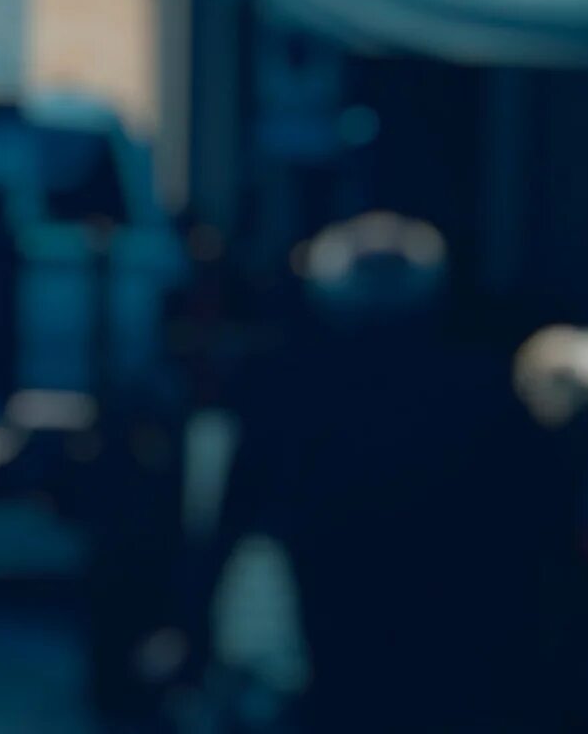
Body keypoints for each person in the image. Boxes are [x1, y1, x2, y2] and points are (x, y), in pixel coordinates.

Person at [214, 213, 564, 733]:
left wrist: (191, 625)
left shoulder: (293, 390)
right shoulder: (482, 389)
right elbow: (541, 528)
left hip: (347, 636)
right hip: (454, 647)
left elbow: (232, 517)